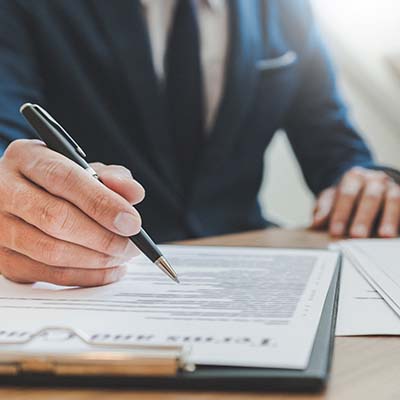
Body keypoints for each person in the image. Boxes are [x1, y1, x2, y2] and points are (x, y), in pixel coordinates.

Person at [0, 0, 399, 287]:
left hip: (250, 267)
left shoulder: (288, 8)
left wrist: (367, 181)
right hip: (98, 276)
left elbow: (336, 148)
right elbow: (8, 139)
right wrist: (14, 193)